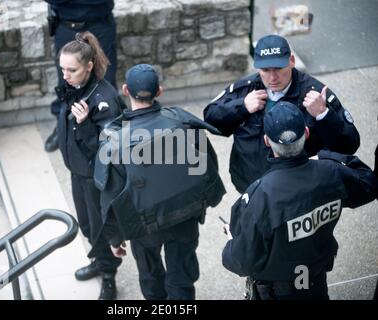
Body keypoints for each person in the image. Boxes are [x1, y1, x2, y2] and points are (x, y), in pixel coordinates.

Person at [92, 64, 226, 299]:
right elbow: (208, 167)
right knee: (182, 278)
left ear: (125, 90)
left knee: (150, 277)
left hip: (145, 227)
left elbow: (109, 195)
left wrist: (115, 238)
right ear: (159, 91)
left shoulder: (115, 138)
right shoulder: (181, 121)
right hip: (185, 218)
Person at [221, 101, 378, 300]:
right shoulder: (330, 172)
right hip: (316, 287)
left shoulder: (261, 194)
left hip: (277, 293)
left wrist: (232, 241)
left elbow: (241, 261)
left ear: (267, 141)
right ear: (306, 132)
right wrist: (325, 156)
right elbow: (369, 184)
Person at [204, 34, 360, 194]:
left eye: (278, 68)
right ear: (257, 67)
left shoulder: (316, 95)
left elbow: (349, 145)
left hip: (298, 191)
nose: (272, 77)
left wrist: (324, 115)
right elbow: (210, 120)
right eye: (265, 70)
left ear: (291, 61)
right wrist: (241, 107)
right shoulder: (244, 90)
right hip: (250, 187)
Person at [55, 31, 124, 300]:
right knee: (85, 224)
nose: (65, 75)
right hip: (77, 171)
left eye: (71, 70)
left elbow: (109, 151)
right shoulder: (75, 86)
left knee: (101, 228)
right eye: (62, 69)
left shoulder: (104, 99)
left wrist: (84, 126)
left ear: (89, 67)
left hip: (97, 178)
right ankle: (100, 260)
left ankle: (108, 274)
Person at [43, 0, 118, 152]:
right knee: (66, 82)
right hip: (66, 26)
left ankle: (109, 131)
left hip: (99, 24)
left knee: (105, 82)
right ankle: (63, 127)